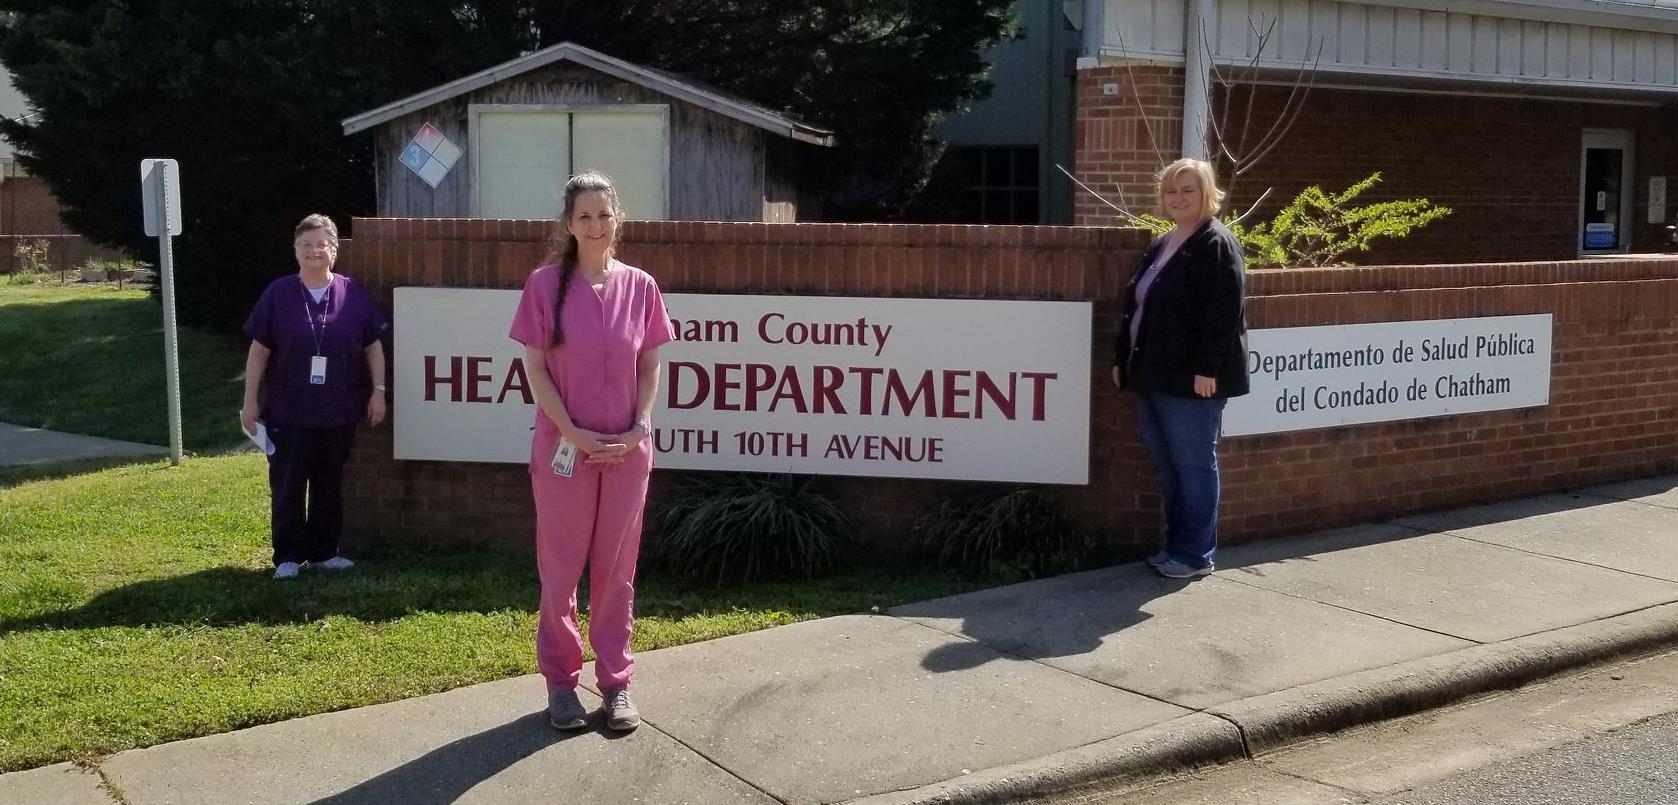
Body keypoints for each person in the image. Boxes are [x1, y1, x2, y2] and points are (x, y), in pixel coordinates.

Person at [508, 171, 674, 733]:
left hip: (628, 453)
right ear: (569, 224)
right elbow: (534, 368)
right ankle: (561, 683)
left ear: (617, 218)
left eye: (605, 215)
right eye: (585, 216)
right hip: (564, 451)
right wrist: (574, 435)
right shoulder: (542, 285)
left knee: (617, 573)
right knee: (560, 572)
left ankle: (616, 684)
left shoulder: (642, 286)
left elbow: (649, 364)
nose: (596, 225)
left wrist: (640, 427)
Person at [1112, 158, 1249, 580]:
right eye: (1171, 191)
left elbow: (1223, 313)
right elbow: (1137, 306)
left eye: (1188, 190)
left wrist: (1207, 368)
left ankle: (1194, 555)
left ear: (1207, 193)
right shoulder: (1163, 242)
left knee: (1193, 465)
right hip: (1152, 376)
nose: (1178, 198)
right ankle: (1175, 546)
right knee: (1170, 466)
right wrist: (1121, 359)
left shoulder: (1215, 243)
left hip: (1193, 381)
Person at [242, 214, 389, 580]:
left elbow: (373, 347)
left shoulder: (353, 293)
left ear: (334, 250)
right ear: (295, 251)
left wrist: (379, 392)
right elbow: (258, 351)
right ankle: (288, 556)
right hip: (288, 412)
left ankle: (324, 551)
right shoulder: (278, 294)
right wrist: (249, 401)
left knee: (329, 483)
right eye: (306, 245)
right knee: (288, 485)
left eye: (322, 244)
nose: (314, 251)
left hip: (338, 411)